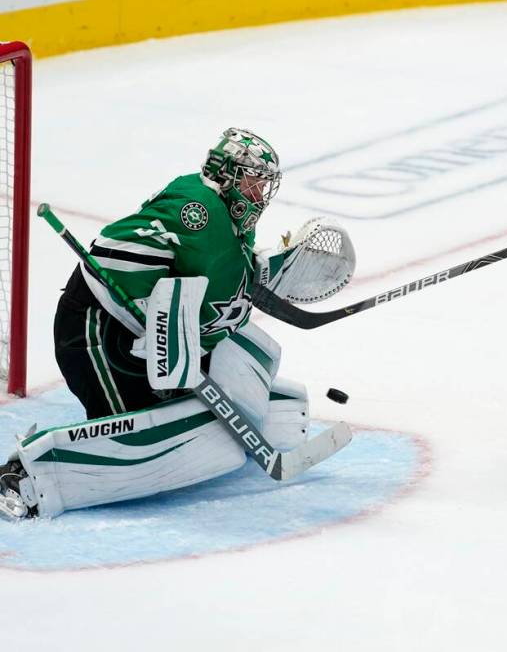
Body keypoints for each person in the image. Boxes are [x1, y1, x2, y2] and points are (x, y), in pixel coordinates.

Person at [0, 128, 356, 520]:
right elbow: (214, 314)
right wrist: (269, 276)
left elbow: (217, 296)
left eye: (262, 185)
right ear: (226, 174)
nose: (258, 194)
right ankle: (22, 476)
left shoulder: (224, 213)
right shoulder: (202, 213)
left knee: (215, 371)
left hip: (134, 329)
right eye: (252, 182)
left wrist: (267, 267)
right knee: (144, 429)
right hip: (96, 331)